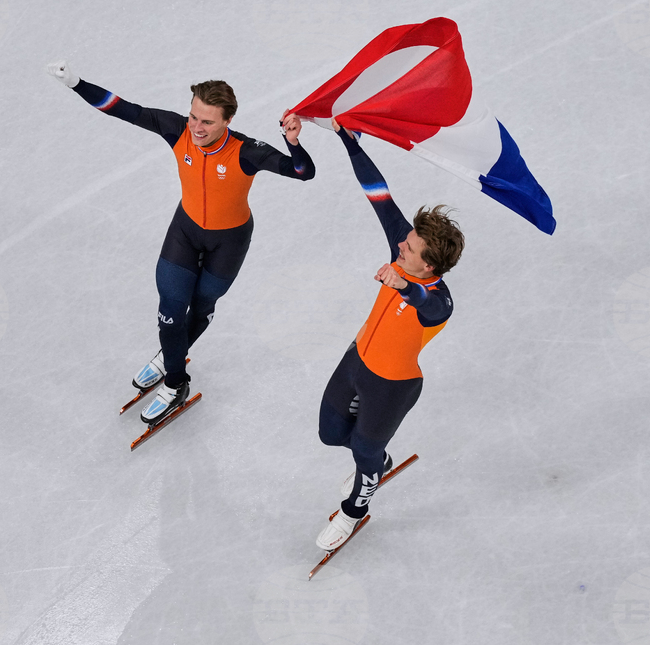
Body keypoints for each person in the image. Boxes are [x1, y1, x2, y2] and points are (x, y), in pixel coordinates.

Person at [47, 61, 315, 426]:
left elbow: (303, 172)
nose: (196, 127)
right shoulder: (177, 130)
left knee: (201, 307)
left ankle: (172, 354)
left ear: (227, 121)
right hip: (185, 232)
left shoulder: (246, 151)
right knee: (171, 313)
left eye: (207, 121)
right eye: (193, 117)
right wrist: (75, 83)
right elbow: (123, 109)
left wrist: (292, 141)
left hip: (229, 241)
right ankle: (175, 383)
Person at [315, 121, 464, 551]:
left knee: (363, 450)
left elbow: (428, 305)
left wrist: (405, 288)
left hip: (392, 386)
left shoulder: (439, 299)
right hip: (356, 360)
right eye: (406, 241)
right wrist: (347, 139)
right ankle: (377, 461)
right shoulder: (404, 250)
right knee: (329, 433)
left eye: (410, 249)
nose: (401, 247)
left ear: (430, 266)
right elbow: (378, 192)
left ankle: (354, 509)